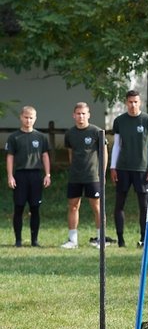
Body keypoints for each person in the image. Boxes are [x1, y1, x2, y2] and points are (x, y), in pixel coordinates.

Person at [110, 90, 148, 247]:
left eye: (136, 102)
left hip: (142, 168)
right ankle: (120, 239)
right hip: (123, 167)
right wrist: (112, 166)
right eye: (130, 102)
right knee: (119, 203)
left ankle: (144, 238)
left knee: (144, 205)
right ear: (126, 102)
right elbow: (116, 145)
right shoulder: (119, 121)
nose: (133, 105)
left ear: (140, 102)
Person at [61, 102, 110, 249]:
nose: (81, 116)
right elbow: (70, 154)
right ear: (73, 115)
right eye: (78, 113)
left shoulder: (96, 132)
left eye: (83, 113)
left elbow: (104, 153)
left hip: (93, 176)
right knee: (73, 206)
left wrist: (102, 173)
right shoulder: (70, 133)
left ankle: (101, 239)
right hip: (75, 176)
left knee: (97, 207)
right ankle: (72, 240)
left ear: (88, 115)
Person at [5, 105, 51, 247]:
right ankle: (18, 240)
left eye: (31, 118)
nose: (28, 120)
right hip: (20, 175)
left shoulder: (41, 137)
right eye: (26, 117)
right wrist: (10, 176)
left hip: (36, 175)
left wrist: (47, 174)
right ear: (21, 117)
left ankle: (34, 240)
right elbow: (10, 157)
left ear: (35, 119)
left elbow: (45, 156)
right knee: (19, 207)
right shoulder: (14, 137)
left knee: (35, 208)